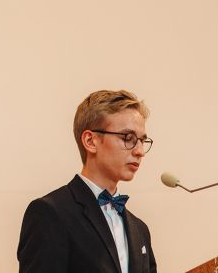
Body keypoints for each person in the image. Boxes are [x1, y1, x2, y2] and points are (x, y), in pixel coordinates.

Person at [17, 89, 157, 273]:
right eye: (128, 138)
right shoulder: (50, 213)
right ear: (90, 141)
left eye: (142, 141)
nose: (139, 151)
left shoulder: (140, 230)